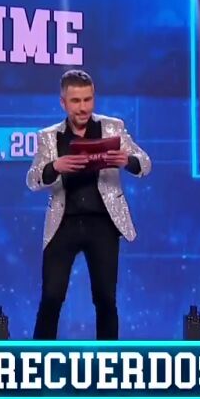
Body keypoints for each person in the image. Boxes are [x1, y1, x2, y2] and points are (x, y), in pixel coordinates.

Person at [26, 70, 151, 340]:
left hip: (103, 223)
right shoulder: (49, 136)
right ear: (63, 103)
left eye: (88, 99)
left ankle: (108, 360)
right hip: (63, 224)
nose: (83, 107)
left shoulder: (113, 127)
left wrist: (126, 161)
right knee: (51, 297)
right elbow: (32, 180)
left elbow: (145, 164)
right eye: (76, 101)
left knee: (105, 299)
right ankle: (37, 359)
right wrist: (54, 166)